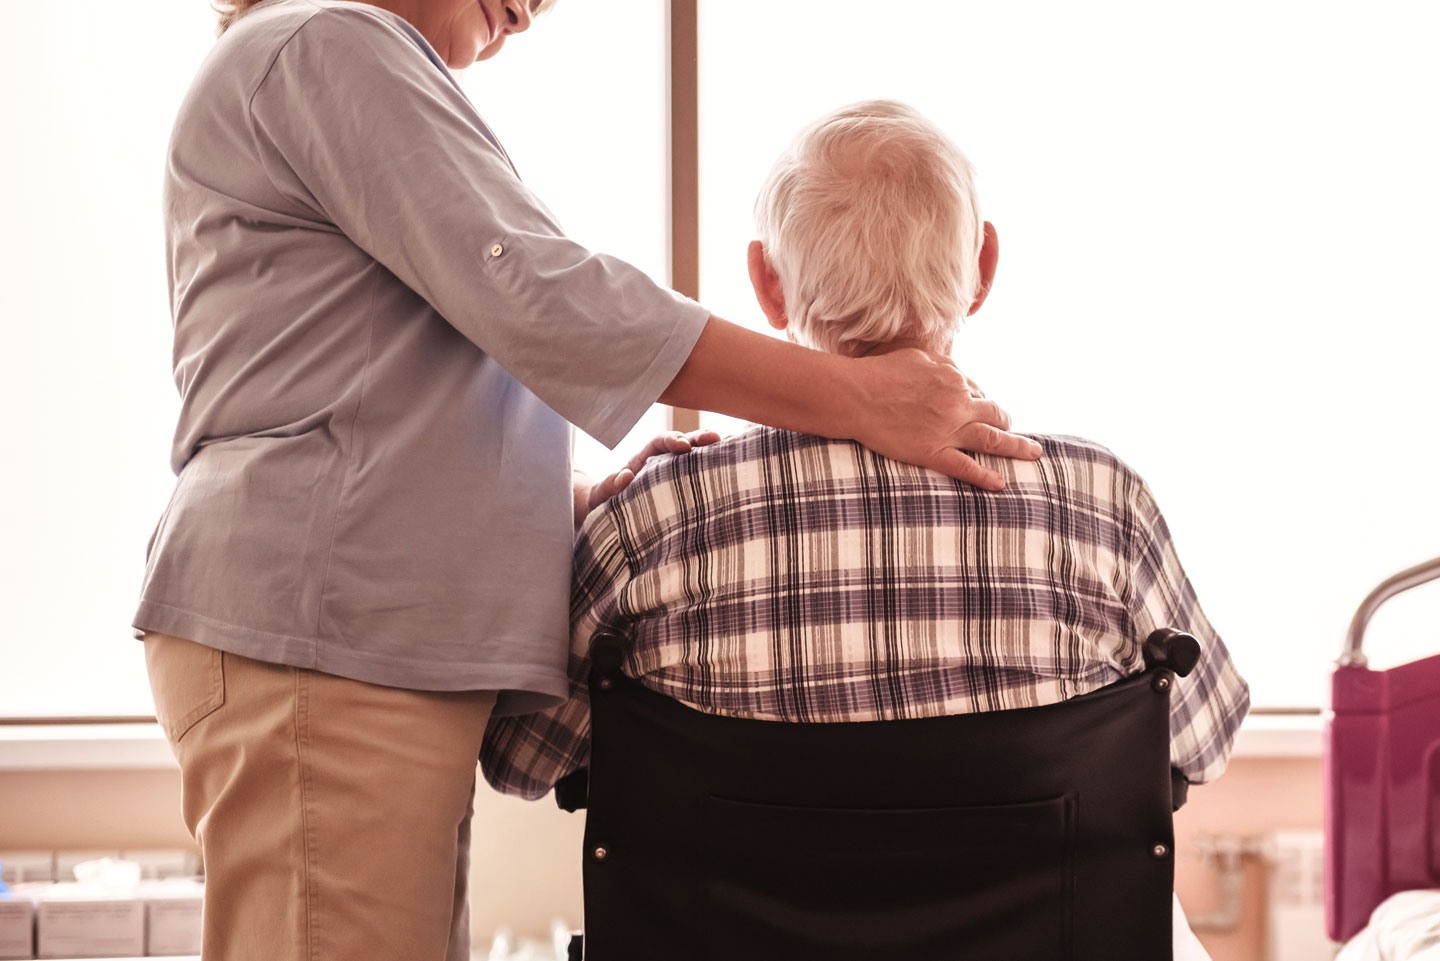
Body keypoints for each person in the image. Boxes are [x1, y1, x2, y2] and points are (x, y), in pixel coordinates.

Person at [135, 2, 1042, 960]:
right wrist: (858, 399)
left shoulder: (332, 64)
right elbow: (537, 292)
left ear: (768, 281)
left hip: (347, 637)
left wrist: (564, 504)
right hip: (323, 638)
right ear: (982, 264)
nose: (536, 10)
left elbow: (378, 388)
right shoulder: (321, 42)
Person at [480, 100, 1250, 954]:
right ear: (983, 267)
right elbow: (1207, 742)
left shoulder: (654, 516)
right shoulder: (1105, 506)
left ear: (766, 284)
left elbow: (520, 760)